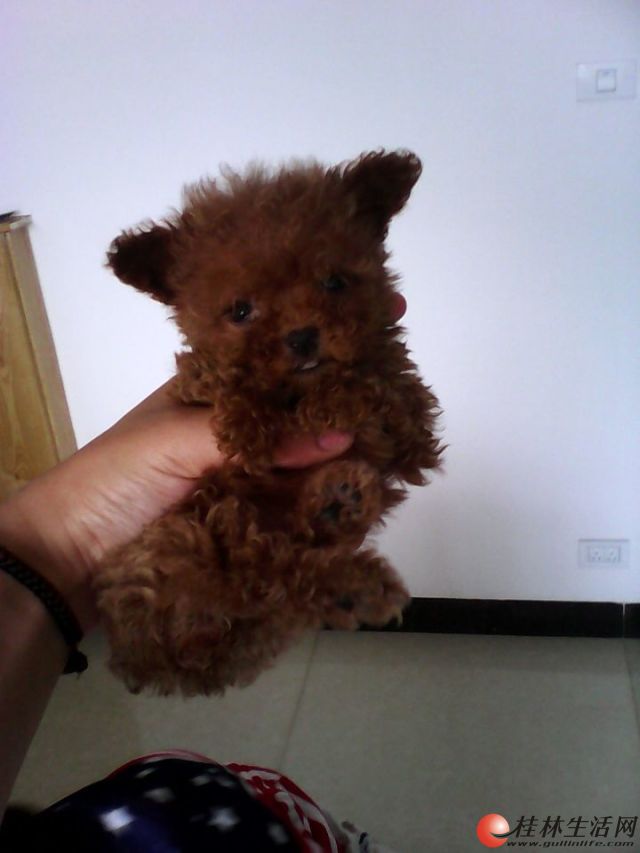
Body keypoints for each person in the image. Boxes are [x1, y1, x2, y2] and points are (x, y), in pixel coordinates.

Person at [0, 298, 407, 851]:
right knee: (206, 556)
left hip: (180, 797)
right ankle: (300, 576)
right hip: (189, 809)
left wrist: (55, 544)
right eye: (241, 311)